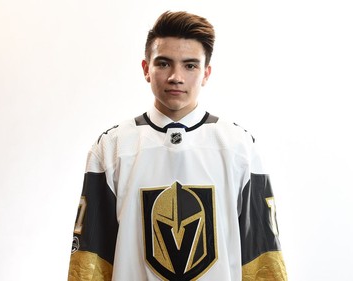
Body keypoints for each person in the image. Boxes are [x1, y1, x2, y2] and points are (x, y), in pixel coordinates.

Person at [67, 10, 287, 281]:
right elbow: (92, 257)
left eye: (190, 65)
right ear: (146, 69)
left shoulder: (238, 148)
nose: (176, 77)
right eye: (164, 63)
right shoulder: (112, 147)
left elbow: (261, 256)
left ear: (206, 73)